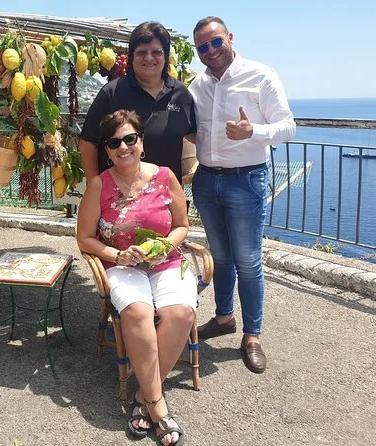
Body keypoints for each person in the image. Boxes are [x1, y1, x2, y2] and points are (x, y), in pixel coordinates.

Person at [76, 109, 196, 445]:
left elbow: (182, 226)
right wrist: (118, 255)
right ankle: (158, 406)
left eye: (130, 138)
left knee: (181, 313)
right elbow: (84, 238)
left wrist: (163, 246)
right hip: (122, 265)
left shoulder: (165, 177)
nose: (123, 147)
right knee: (138, 312)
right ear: (107, 150)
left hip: (166, 261)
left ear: (141, 142)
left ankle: (143, 397)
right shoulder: (99, 185)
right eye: (114, 142)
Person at [188, 16, 296, 374]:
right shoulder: (197, 85)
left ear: (230, 38)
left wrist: (254, 132)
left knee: (248, 261)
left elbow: (288, 126)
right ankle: (224, 318)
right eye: (202, 46)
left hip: (246, 180)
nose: (210, 51)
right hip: (206, 180)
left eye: (216, 42)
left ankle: (252, 336)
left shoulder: (260, 75)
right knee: (220, 257)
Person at [79, 21, 196, 184]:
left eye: (156, 52)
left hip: (165, 192)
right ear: (131, 57)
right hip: (119, 192)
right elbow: (88, 142)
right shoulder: (112, 93)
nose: (149, 58)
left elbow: (194, 136)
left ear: (165, 56)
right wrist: (94, 184)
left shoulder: (181, 94)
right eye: (141, 52)